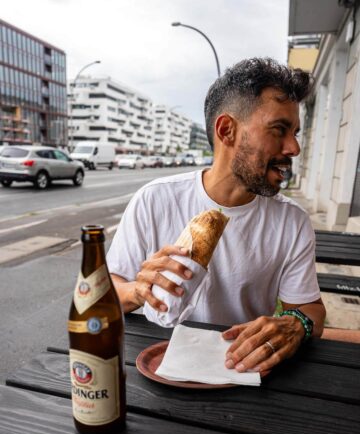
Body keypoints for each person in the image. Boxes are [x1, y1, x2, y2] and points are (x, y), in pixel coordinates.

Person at [107, 57, 326, 374]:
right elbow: (106, 291)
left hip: (241, 369)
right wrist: (137, 291)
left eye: (295, 132)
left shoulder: (291, 221)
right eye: (279, 129)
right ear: (227, 130)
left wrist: (295, 324)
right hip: (154, 362)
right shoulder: (154, 199)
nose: (293, 148)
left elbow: (310, 310)